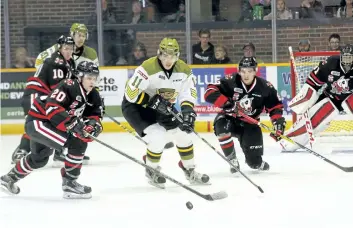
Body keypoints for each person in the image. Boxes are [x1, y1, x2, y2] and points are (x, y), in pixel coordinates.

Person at [0, 61, 103, 199]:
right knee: (77, 142)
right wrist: (72, 124)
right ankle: (70, 183)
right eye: (89, 78)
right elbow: (52, 108)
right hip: (39, 122)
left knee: (40, 158)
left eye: (95, 78)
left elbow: (95, 114)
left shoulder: (93, 95)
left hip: (49, 125)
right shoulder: (68, 85)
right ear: (79, 76)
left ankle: (8, 178)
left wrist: (92, 125)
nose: (92, 81)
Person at [122, 37, 210, 188]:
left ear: (177, 56)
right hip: (137, 106)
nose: (168, 60)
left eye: (172, 56)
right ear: (159, 54)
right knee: (158, 137)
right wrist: (150, 101)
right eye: (165, 56)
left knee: (183, 134)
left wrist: (187, 111)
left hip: (163, 106)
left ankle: (189, 170)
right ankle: (151, 169)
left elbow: (188, 93)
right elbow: (130, 93)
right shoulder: (147, 68)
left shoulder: (183, 70)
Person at [204, 56, 285, 172]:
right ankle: (232, 160)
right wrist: (226, 103)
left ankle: (257, 162)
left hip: (250, 124)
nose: (246, 75)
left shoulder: (265, 87)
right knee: (221, 128)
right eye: (243, 71)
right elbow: (209, 92)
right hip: (229, 119)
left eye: (249, 71)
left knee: (254, 164)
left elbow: (275, 106)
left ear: (255, 71)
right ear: (239, 71)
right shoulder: (230, 81)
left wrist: (278, 122)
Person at [34, 23, 99, 163]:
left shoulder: (91, 53)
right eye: (78, 35)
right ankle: (28, 149)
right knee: (48, 118)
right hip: (57, 90)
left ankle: (62, 150)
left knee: (72, 117)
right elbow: (40, 60)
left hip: (75, 91)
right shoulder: (61, 48)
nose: (81, 38)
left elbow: (93, 75)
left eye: (83, 35)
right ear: (72, 34)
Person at [11, 36, 76, 164]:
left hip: (44, 97)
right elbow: (57, 89)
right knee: (36, 123)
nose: (68, 51)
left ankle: (58, 151)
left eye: (71, 49)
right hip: (35, 95)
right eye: (66, 48)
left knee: (52, 121)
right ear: (60, 48)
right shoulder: (57, 62)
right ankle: (22, 150)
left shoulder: (69, 62)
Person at [280, 45, 353, 152]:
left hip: (350, 97)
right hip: (332, 98)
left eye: (350, 58)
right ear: (341, 56)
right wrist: (306, 97)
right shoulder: (330, 63)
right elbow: (313, 81)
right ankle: (290, 140)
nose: (347, 61)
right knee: (314, 120)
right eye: (345, 57)